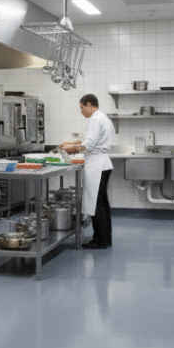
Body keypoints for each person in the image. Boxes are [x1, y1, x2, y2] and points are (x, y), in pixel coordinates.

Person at [60, 94, 114, 249]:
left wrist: (72, 148)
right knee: (102, 204)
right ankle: (104, 238)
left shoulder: (96, 119)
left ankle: (101, 240)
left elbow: (90, 144)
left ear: (89, 104)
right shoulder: (102, 117)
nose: (82, 111)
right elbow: (91, 141)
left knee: (96, 204)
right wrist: (74, 143)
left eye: (82, 107)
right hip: (102, 164)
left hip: (97, 164)